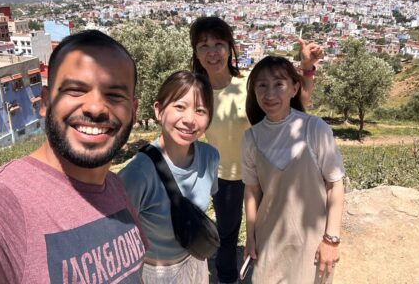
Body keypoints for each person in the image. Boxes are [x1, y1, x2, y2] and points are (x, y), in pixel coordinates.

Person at [0, 30, 148, 284]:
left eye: (114, 95)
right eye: (75, 90)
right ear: (46, 102)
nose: (94, 107)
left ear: (133, 112)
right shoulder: (1, 202)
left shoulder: (114, 186)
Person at [189, 16, 323, 283]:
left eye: (218, 43)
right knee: (226, 234)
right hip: (225, 175)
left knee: (270, 230)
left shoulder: (249, 82)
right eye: (203, 45)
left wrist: (307, 69)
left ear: (230, 47)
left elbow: (295, 104)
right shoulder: (197, 93)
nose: (212, 52)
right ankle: (227, 278)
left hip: (264, 174)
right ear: (195, 51)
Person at [242, 55, 345, 284]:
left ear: (294, 87)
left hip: (312, 244)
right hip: (268, 241)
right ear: (254, 91)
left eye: (279, 84)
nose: (270, 94)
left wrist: (331, 240)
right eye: (262, 85)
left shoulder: (315, 129)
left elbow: (335, 185)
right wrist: (250, 236)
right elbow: (251, 191)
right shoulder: (251, 138)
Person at [119, 70, 220, 284]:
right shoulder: (138, 174)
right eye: (180, 107)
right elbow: (118, 237)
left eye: (200, 110)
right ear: (159, 110)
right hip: (157, 273)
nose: (190, 120)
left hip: (196, 262)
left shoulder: (210, 157)